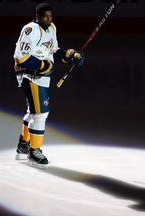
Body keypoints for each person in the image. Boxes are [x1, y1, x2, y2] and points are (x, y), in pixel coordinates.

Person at [13, 3, 85, 166]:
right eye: (45, 16)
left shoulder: (52, 28)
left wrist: (69, 55)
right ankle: (34, 151)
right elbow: (21, 57)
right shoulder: (29, 29)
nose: (48, 18)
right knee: (40, 114)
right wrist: (43, 65)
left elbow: (53, 51)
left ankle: (23, 146)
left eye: (50, 16)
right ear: (37, 16)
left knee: (33, 112)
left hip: (43, 76)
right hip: (29, 75)